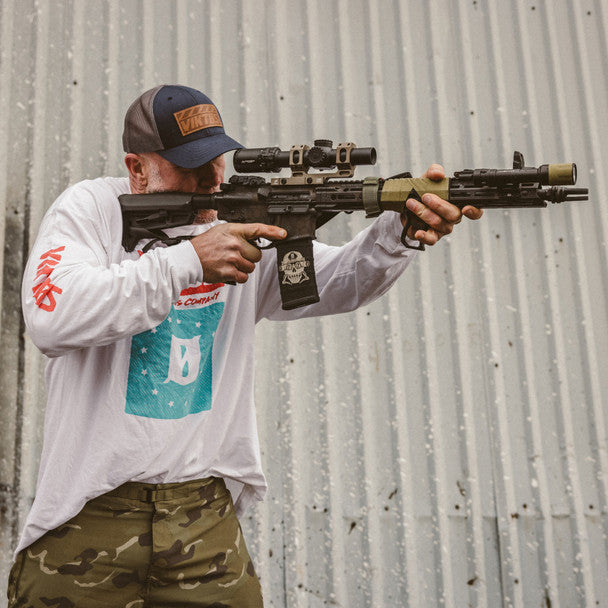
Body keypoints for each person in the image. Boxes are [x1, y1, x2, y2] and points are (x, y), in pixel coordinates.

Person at [7, 84, 482, 607]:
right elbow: (51, 316)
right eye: (191, 165)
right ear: (137, 169)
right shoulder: (92, 210)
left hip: (203, 511)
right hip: (90, 507)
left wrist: (398, 232)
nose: (212, 179)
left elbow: (338, 282)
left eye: (217, 159)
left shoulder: (234, 220)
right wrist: (189, 260)